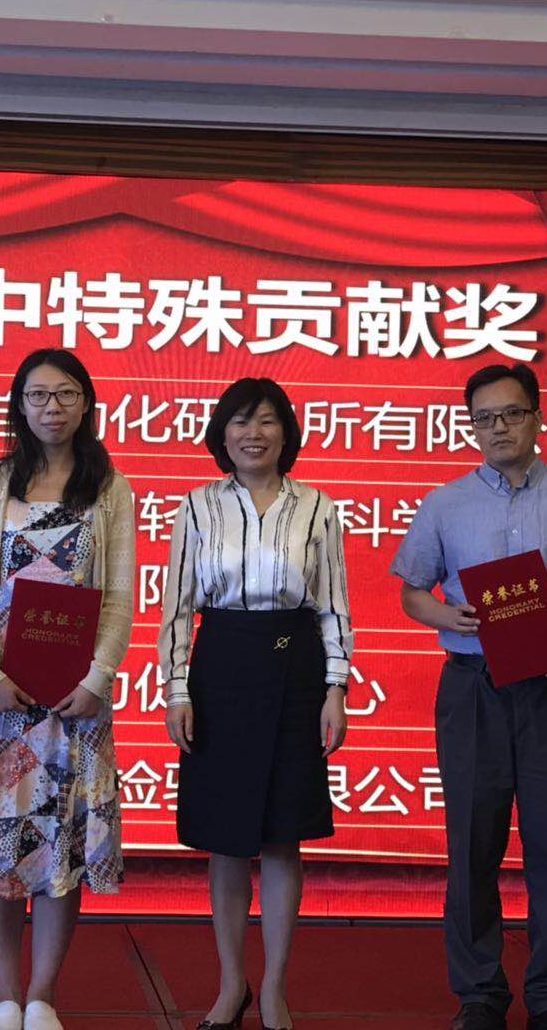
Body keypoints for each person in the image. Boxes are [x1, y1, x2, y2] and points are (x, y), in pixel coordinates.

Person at [389, 363, 547, 1030]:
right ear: (472, 427)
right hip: (473, 687)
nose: (499, 427)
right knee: (473, 843)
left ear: (537, 417)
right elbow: (412, 592)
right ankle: (479, 993)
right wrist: (448, 616)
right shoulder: (446, 504)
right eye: (485, 418)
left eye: (512, 413)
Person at [0, 349, 135, 1030]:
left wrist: (97, 678)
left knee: (61, 842)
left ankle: (43, 996)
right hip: (4, 696)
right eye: (38, 395)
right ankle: (3, 994)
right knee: (1, 837)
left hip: (75, 699)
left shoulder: (109, 487)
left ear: (86, 403)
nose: (52, 407)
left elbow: (118, 595)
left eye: (66, 394)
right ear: (19, 405)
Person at [158, 377, 352, 1030]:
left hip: (296, 670)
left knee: (282, 836)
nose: (254, 433)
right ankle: (230, 984)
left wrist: (335, 688)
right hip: (221, 670)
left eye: (267, 420)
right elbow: (177, 608)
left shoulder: (317, 506)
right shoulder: (198, 506)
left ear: (285, 432)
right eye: (241, 421)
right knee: (225, 838)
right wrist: (177, 690)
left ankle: (274, 988)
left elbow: (333, 606)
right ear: (223, 433)